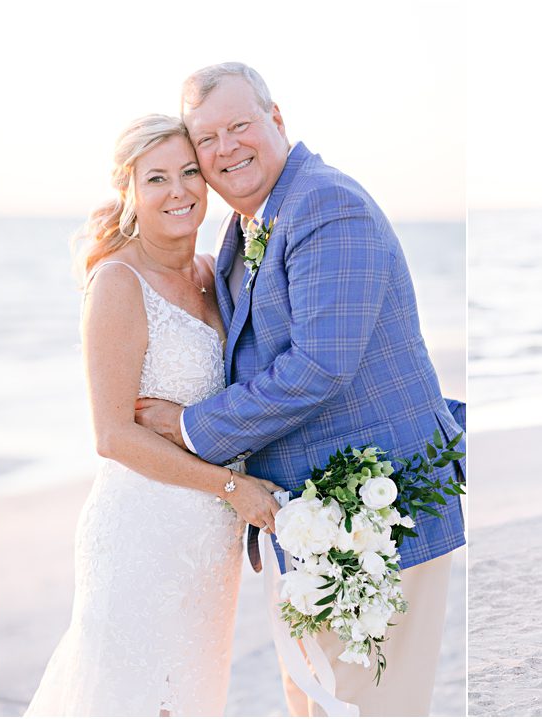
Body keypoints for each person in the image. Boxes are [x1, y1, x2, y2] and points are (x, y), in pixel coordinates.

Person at [133, 62, 465, 716]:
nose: (226, 147)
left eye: (239, 126)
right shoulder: (245, 227)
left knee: (372, 705)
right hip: (307, 519)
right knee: (317, 701)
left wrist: (192, 426)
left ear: (276, 120)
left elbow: (320, 364)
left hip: (382, 512)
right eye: (207, 139)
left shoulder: (324, 203)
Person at [25, 115, 283, 717]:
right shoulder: (118, 281)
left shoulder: (213, 273)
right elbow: (113, 436)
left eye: (190, 171)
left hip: (207, 543)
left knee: (187, 698)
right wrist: (233, 486)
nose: (179, 190)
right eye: (158, 177)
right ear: (131, 194)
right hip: (143, 530)